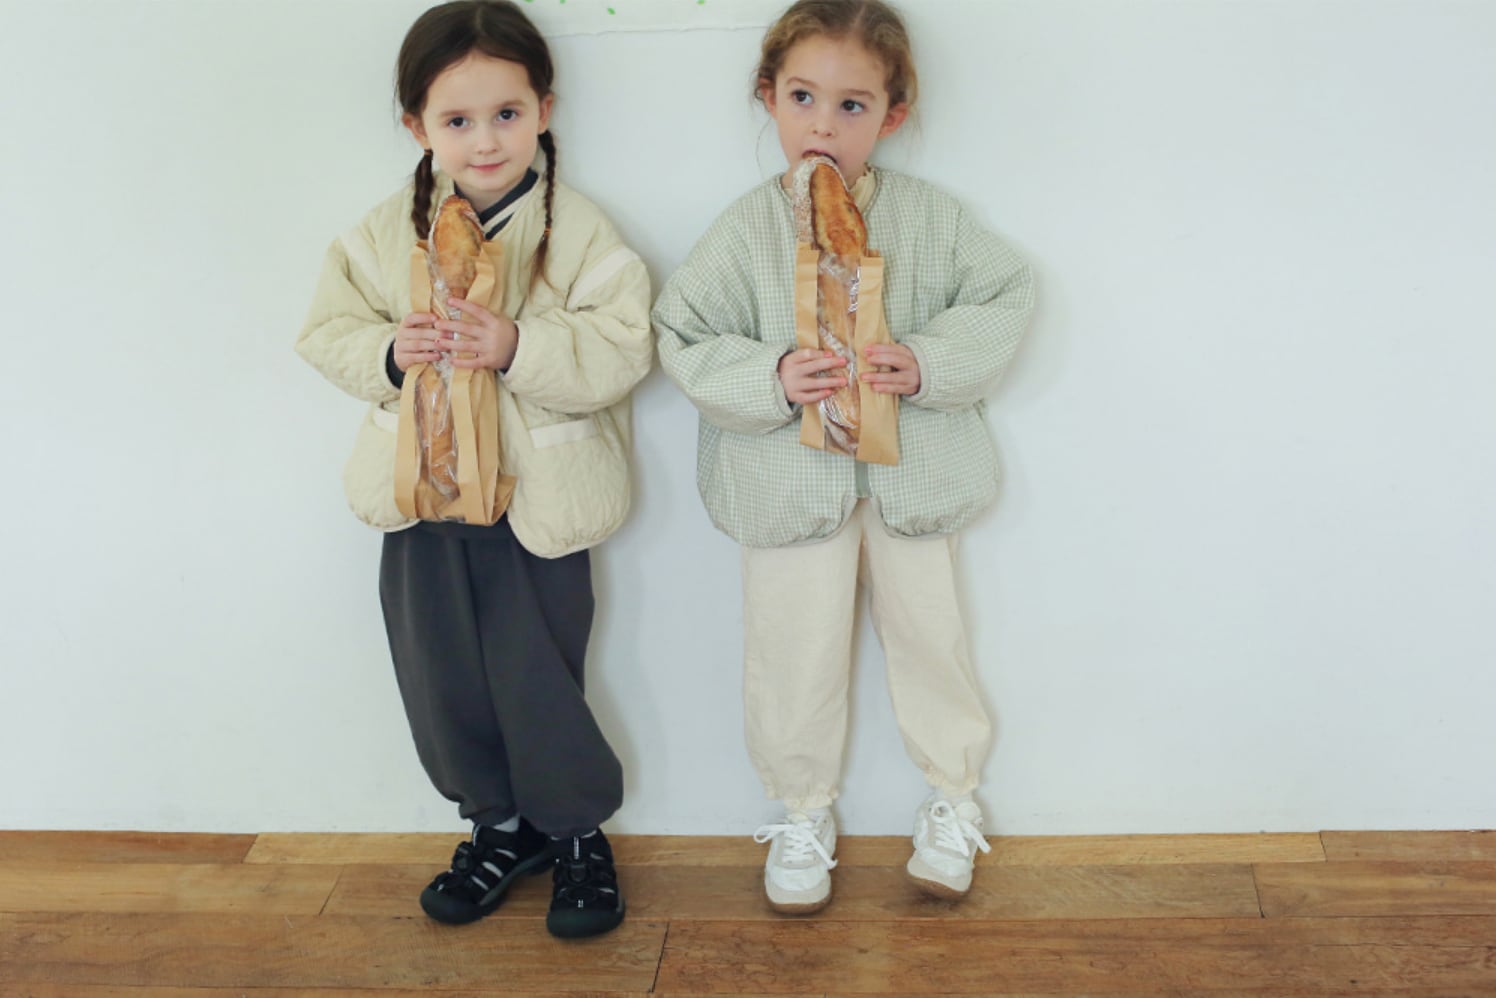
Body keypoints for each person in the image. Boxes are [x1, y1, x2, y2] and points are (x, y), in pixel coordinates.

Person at [653, 0, 1035, 914]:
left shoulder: (933, 221)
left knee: (933, 641)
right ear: (769, 97)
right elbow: (683, 335)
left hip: (914, 480)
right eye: (803, 97)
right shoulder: (744, 231)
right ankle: (801, 811)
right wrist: (773, 376)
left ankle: (953, 797)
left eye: (852, 104)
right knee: (791, 652)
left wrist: (929, 362)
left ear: (891, 115)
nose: (823, 124)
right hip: (787, 489)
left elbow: (1006, 294)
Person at [296, 0, 652, 939]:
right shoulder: (382, 235)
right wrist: (389, 350)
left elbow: (625, 344)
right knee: (439, 670)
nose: (485, 139)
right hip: (421, 498)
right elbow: (326, 332)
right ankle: (498, 827)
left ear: (544, 111)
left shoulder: (578, 231)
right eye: (457, 119)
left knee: (539, 675)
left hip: (536, 501)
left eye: (506, 114)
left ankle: (574, 832)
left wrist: (518, 345)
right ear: (418, 127)